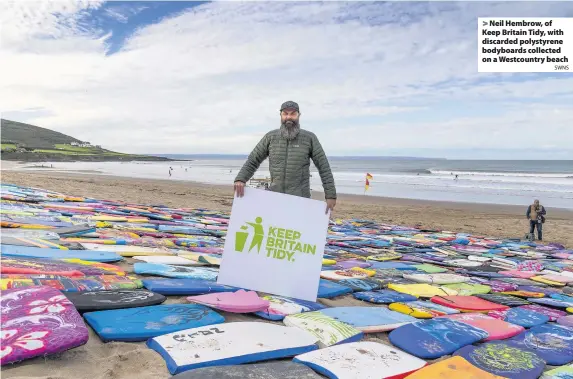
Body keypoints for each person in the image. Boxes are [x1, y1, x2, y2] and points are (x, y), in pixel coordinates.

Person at [234, 101, 337, 214]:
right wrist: (241, 179)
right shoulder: (270, 137)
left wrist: (330, 195)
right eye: (285, 113)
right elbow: (253, 160)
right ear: (281, 116)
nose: (289, 117)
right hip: (275, 197)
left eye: (293, 114)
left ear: (298, 115)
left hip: (300, 199)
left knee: (297, 229)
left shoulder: (309, 138)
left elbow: (324, 167)